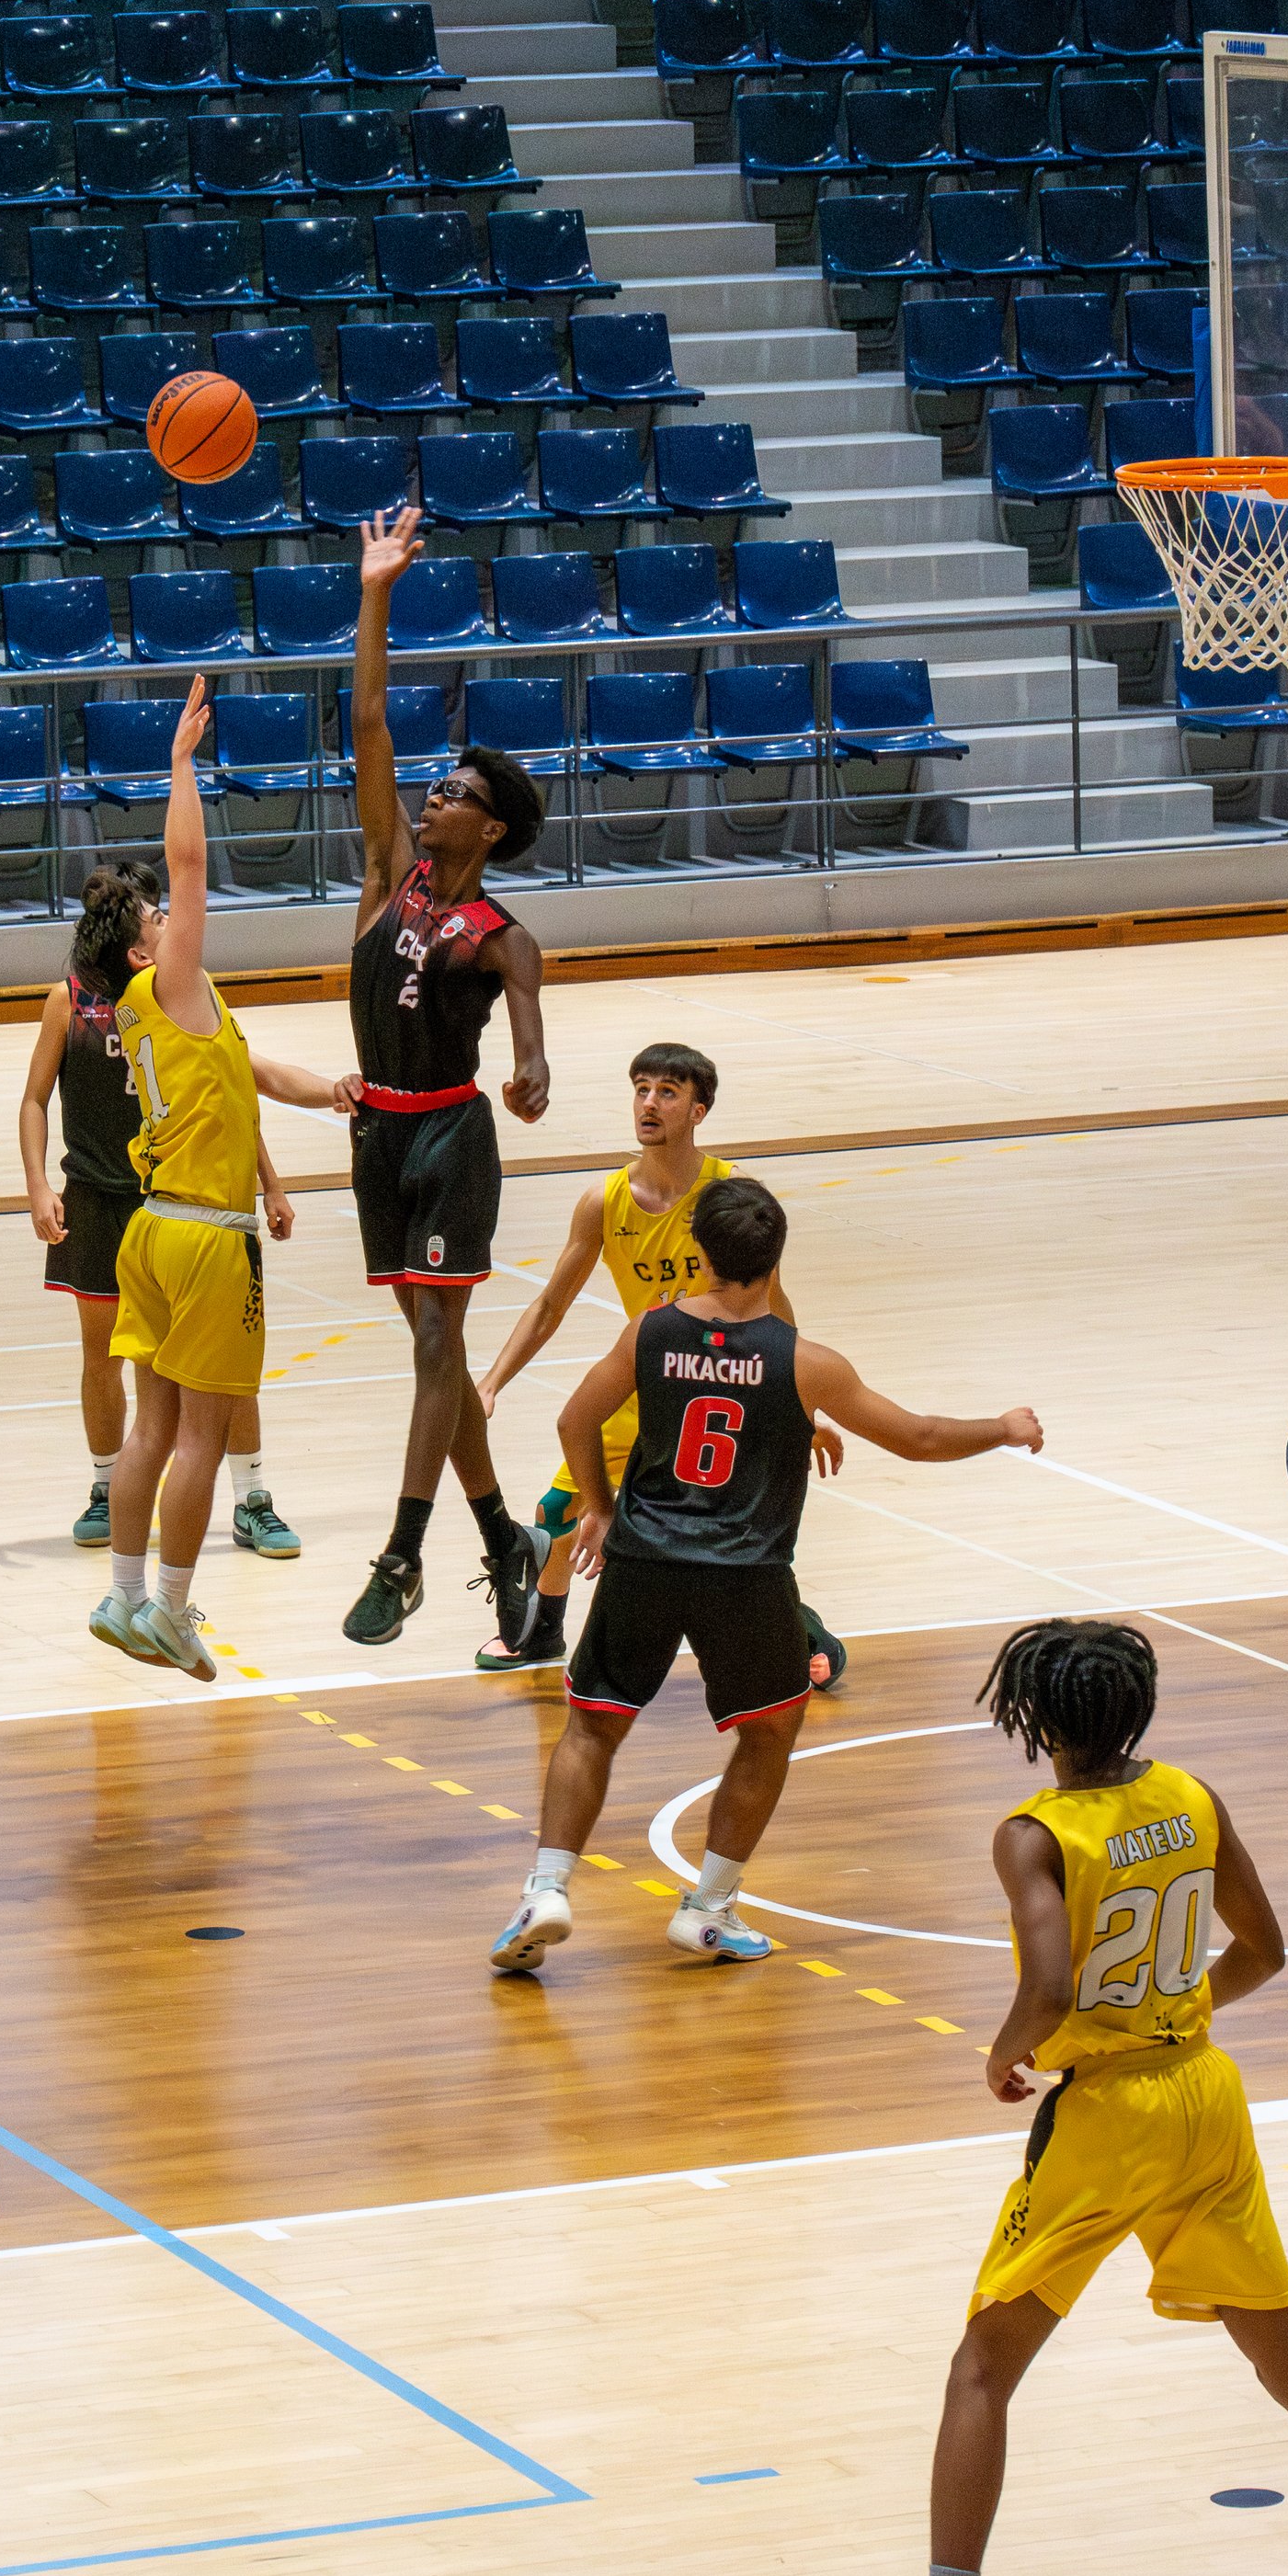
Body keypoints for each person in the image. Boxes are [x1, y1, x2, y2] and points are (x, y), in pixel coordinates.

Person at [826, 1619, 1288, 2576]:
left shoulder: (1033, 1833)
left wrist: (1007, 2058)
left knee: (981, 2369)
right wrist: (1168, 2017)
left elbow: (1045, 1988)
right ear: (1136, 1709)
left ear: (1033, 1720)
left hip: (1109, 2122)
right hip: (1207, 2098)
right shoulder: (1192, 1797)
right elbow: (1262, 1953)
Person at [491, 1175, 1042, 1976]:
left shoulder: (650, 1331)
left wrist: (603, 1511)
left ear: (700, 1254)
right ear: (775, 1256)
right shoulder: (805, 1363)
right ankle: (708, 1909)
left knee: (592, 1725)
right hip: (746, 1575)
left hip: (645, 1558)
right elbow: (918, 1437)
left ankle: (546, 1887)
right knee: (769, 1732)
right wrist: (1002, 1427)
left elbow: (575, 1418)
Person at [85, 678, 356, 1680]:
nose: (174, 918)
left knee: (154, 1425)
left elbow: (249, 1075)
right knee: (202, 1429)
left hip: (152, 1231)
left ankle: (119, 1598)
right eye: (159, 918)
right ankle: (173, 1607)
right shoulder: (171, 981)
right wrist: (181, 764)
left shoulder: (155, 1015)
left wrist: (330, 1091)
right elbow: (191, 865)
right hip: (206, 1236)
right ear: (141, 948)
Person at [473, 1041, 848, 1688]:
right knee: (560, 1511)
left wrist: (797, 1408)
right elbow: (549, 1304)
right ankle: (544, 1631)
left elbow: (774, 1307)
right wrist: (491, 1380)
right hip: (643, 1380)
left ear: (698, 1110)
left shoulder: (730, 1196)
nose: (649, 1102)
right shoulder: (605, 1202)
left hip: (721, 1383)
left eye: (667, 1091)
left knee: (715, 1539)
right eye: (641, 1088)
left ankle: (812, 1636)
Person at [342, 503, 552, 1653]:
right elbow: (368, 719)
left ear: (493, 828)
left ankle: (404, 1554)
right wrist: (377, 590)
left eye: (456, 792)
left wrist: (533, 1071)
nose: (432, 794)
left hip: (451, 1140)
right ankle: (500, 1542)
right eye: (435, 785)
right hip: (377, 1137)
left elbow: (530, 1040)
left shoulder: (498, 930)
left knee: (434, 1352)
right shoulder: (386, 877)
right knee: (444, 1363)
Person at [20, 859, 300, 1561]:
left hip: (172, 1198)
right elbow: (33, 1099)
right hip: (96, 1196)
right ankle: (106, 1488)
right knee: (103, 1355)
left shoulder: (176, 993)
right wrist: (35, 1184)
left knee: (219, 1365)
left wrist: (269, 1180)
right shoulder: (71, 1001)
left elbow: (228, 1091)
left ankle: (253, 1495)